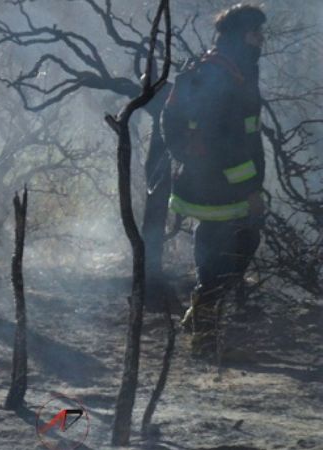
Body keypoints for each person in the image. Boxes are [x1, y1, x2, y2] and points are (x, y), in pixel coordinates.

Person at [162, 4, 267, 358]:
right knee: (240, 241)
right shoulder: (224, 74)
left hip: (207, 181)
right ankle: (203, 328)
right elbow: (230, 141)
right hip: (225, 185)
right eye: (256, 33)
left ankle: (201, 322)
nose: (261, 40)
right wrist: (249, 188)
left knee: (214, 241)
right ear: (242, 35)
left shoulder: (225, 67)